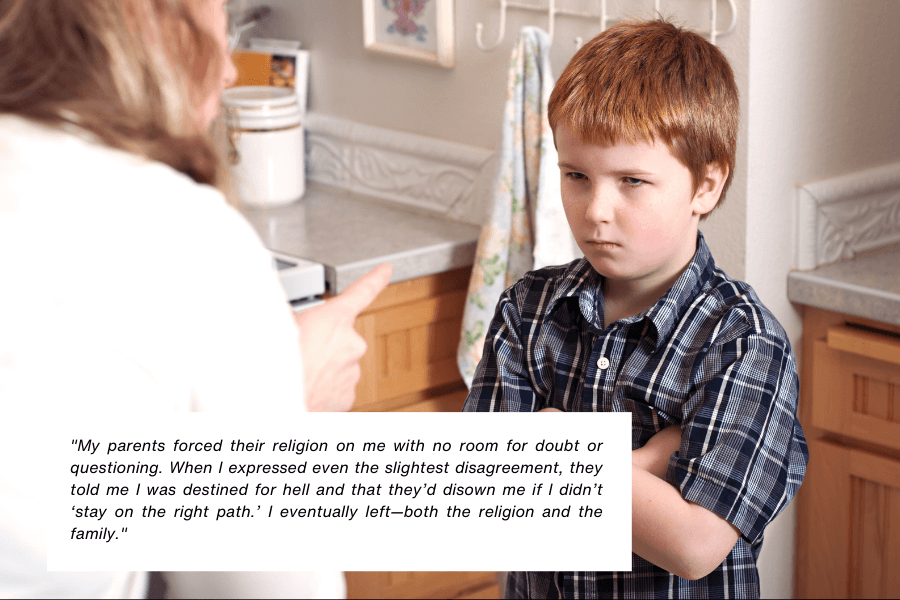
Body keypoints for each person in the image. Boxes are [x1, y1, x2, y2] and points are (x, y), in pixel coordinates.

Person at [0, 0, 390, 597]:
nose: (229, 69)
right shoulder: (172, 233)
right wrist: (293, 399)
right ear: (142, 16)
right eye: (218, 21)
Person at [463, 19, 808, 599]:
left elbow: (694, 545)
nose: (596, 210)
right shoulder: (527, 311)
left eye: (632, 181)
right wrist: (646, 460)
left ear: (706, 187)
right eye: (577, 175)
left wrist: (553, 445)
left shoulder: (744, 343)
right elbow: (481, 499)